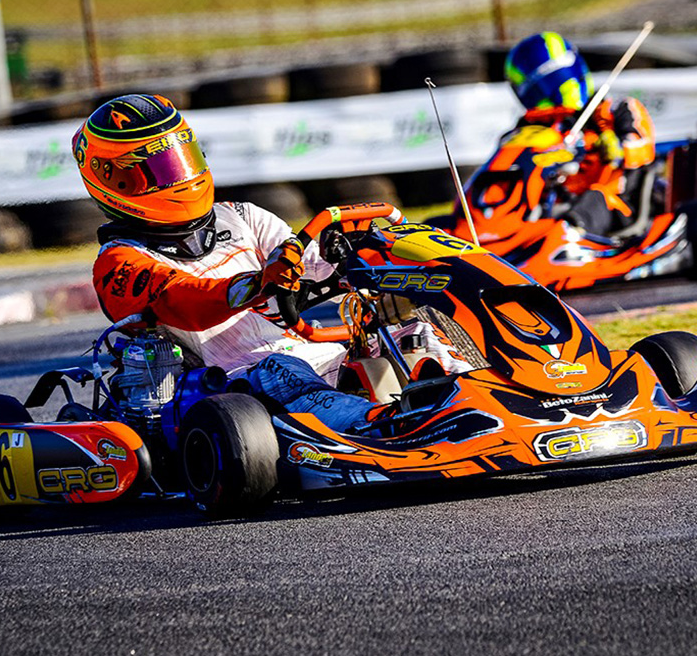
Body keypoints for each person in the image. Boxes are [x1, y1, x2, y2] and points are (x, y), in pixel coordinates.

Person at [73, 94, 469, 433]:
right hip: (230, 389)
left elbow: (312, 264)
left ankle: (473, 407)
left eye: (184, 160)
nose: (182, 177)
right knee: (281, 368)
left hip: (317, 357)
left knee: (414, 334)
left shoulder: (242, 216)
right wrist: (259, 282)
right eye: (161, 170)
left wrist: (358, 257)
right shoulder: (119, 262)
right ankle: (380, 427)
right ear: (114, 179)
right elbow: (185, 302)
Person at [503, 31, 656, 235]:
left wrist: (616, 148)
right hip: (554, 209)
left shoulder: (617, 111)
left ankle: (568, 238)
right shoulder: (531, 130)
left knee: (593, 199)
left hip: (613, 204)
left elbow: (643, 146)